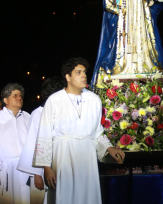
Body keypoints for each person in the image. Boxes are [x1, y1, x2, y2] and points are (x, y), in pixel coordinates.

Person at [33, 57, 125, 204]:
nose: (84, 75)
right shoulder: (54, 100)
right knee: (65, 195)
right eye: (78, 72)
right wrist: (46, 167)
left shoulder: (94, 99)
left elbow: (97, 131)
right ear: (67, 77)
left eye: (85, 72)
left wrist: (108, 148)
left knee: (86, 195)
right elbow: (44, 133)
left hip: (87, 155)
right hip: (63, 154)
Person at [17, 77, 66, 204]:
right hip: (42, 170)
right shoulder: (38, 113)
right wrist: (36, 174)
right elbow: (33, 144)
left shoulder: (63, 112)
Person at [0, 83, 31, 204]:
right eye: (15, 95)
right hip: (6, 170)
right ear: (5, 100)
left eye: (20, 95)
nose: (19, 98)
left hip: (25, 168)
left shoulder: (27, 117)